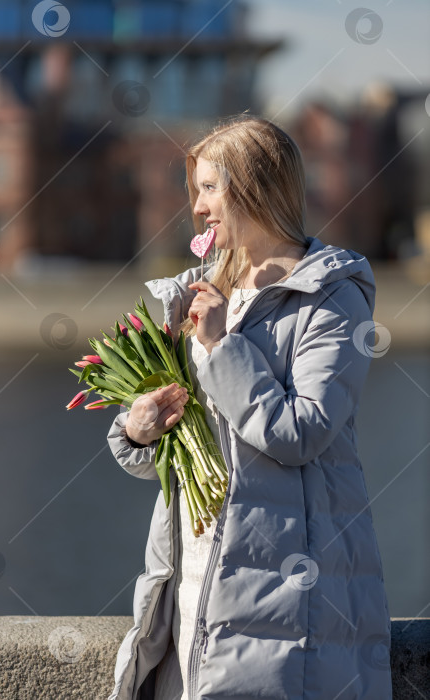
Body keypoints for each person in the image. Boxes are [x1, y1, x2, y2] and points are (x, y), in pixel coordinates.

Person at [106, 115, 393, 700]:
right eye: (196, 191)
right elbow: (180, 453)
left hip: (286, 602)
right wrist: (138, 431)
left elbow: (302, 432)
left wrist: (218, 347)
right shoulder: (198, 293)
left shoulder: (330, 298)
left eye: (210, 188)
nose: (199, 208)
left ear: (256, 185)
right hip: (190, 587)